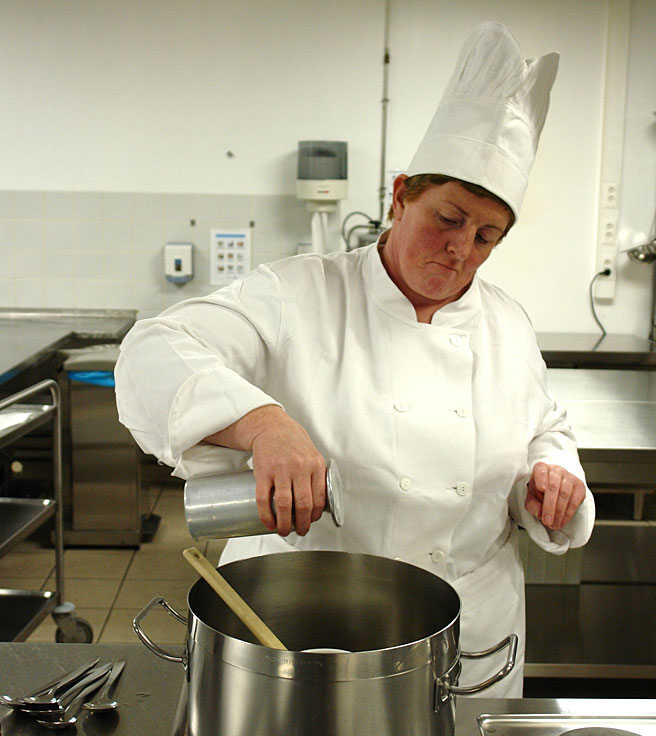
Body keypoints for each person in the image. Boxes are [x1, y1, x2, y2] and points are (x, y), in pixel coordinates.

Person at [115, 22, 594, 696]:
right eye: (448, 219)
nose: (462, 251)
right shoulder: (299, 293)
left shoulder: (507, 325)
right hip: (302, 635)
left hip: (467, 645)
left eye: (487, 236)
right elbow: (152, 350)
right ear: (400, 196)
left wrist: (551, 475)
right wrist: (265, 426)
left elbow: (546, 427)